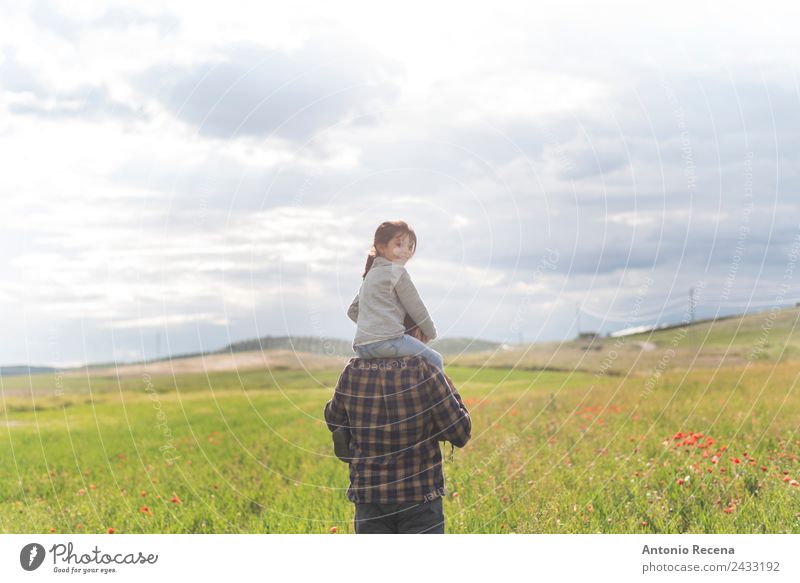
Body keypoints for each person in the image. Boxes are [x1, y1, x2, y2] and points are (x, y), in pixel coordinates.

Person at [324, 354, 471, 533]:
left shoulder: (353, 369)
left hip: (369, 494)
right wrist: (450, 389)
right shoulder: (426, 369)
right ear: (416, 332)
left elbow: (333, 420)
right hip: (420, 496)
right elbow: (460, 432)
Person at [347, 220, 445, 374]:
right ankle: (441, 399)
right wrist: (431, 333)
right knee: (435, 360)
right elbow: (416, 307)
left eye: (410, 247)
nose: (406, 251)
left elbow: (352, 311)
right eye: (399, 245)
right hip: (389, 342)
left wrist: (370, 325)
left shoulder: (370, 276)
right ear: (381, 247)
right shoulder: (397, 272)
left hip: (362, 347)